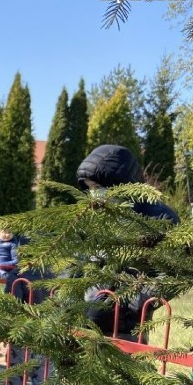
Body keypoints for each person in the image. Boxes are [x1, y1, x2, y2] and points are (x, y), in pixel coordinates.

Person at [77, 144, 179, 342]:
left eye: (98, 188)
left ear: (121, 184)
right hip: (87, 322)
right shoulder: (94, 218)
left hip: (126, 328)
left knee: (123, 370)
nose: (94, 195)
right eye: (90, 189)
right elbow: (78, 263)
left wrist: (128, 305)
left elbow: (173, 273)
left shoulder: (157, 218)